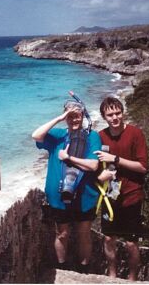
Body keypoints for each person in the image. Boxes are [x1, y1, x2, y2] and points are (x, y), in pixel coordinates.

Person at [32, 100, 101, 273]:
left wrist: (68, 158)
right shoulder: (58, 135)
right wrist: (59, 118)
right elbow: (36, 135)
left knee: (84, 234)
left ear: (83, 116)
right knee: (61, 234)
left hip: (85, 197)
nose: (74, 120)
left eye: (77, 116)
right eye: (70, 116)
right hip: (58, 197)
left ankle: (84, 270)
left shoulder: (92, 136)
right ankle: (62, 268)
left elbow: (93, 165)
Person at [94, 96, 148, 281]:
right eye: (110, 114)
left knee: (131, 243)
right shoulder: (100, 136)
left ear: (123, 113)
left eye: (118, 112)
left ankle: (132, 279)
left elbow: (142, 167)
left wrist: (115, 159)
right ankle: (112, 276)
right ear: (104, 116)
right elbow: (94, 167)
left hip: (132, 195)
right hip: (109, 196)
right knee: (109, 239)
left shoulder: (135, 134)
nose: (115, 117)